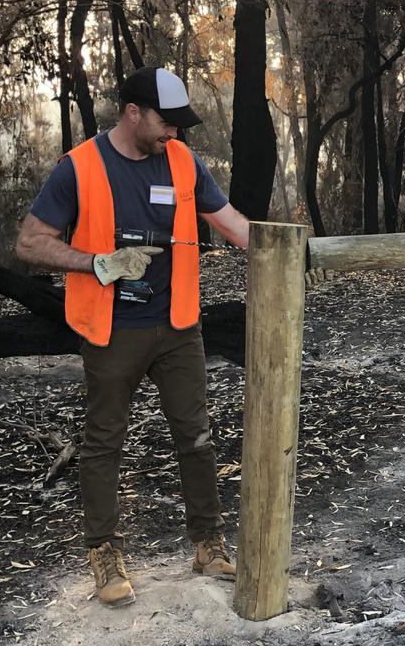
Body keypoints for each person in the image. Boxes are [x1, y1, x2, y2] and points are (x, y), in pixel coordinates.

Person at [15, 67, 250, 606]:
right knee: (103, 445)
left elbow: (232, 223)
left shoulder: (184, 162)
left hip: (177, 326)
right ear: (132, 113)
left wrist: (288, 249)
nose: (176, 133)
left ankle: (208, 544)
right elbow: (30, 244)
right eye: (167, 122)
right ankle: (104, 556)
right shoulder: (79, 168)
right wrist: (97, 263)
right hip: (112, 329)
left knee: (197, 437)